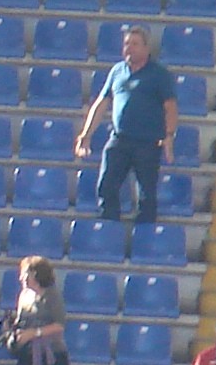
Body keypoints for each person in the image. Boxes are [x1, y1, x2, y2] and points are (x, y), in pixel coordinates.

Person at [75, 27, 180, 228]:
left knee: (146, 195)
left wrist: (169, 136)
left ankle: (144, 236)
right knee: (106, 186)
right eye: (126, 44)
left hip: (148, 143)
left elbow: (171, 107)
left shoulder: (159, 74)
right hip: (120, 139)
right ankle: (109, 229)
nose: (129, 48)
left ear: (146, 48)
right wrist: (86, 134)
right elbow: (101, 104)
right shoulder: (117, 71)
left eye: (134, 44)